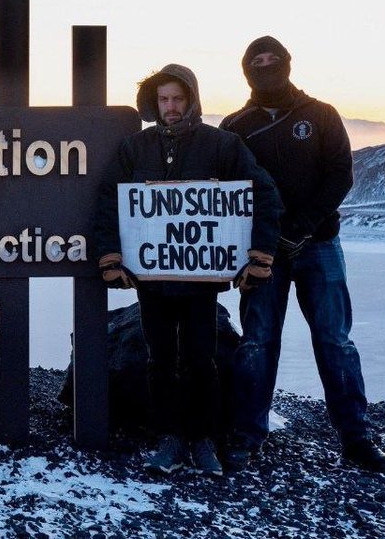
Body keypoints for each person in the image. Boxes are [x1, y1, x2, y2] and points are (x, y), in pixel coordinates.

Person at [94, 63, 282, 477]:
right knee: (158, 359)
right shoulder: (134, 148)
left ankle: (203, 439)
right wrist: (110, 257)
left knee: (203, 360)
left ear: (192, 99)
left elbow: (263, 193)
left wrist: (259, 255)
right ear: (154, 102)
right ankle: (169, 437)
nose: (171, 107)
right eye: (163, 99)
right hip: (153, 281)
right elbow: (109, 200)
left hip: (200, 283)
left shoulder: (222, 145)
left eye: (178, 98)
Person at [220, 37, 385, 473]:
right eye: (256, 62)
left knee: (335, 340)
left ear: (288, 64)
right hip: (262, 252)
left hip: (319, 245)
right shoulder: (235, 126)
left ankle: (356, 437)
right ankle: (247, 434)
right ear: (245, 70)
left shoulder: (321, 115)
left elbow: (341, 175)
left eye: (272, 60)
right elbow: (224, 188)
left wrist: (301, 227)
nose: (265, 66)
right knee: (257, 341)